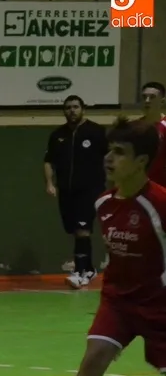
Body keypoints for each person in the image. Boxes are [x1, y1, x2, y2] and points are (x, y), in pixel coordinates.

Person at [39, 118, 166, 376]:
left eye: (119, 153)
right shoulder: (104, 203)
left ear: (141, 161)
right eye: (109, 151)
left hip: (160, 306)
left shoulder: (158, 203)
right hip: (119, 302)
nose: (108, 158)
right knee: (92, 360)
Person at [42, 96, 108, 290]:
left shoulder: (96, 132)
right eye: (68, 107)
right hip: (66, 191)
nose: (72, 110)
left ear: (83, 109)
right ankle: (88, 268)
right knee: (74, 230)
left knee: (82, 230)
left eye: (75, 107)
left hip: (90, 189)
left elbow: (110, 157)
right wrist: (49, 183)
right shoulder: (57, 135)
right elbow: (48, 161)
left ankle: (80, 274)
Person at [138, 81, 166, 186]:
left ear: (162, 101)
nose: (147, 101)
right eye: (144, 97)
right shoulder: (135, 127)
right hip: (138, 186)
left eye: (152, 97)